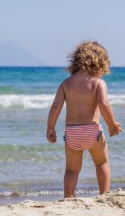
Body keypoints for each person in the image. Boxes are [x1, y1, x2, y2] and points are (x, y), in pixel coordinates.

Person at [46, 41, 123, 198]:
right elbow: (104, 103)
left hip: (72, 133)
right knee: (101, 163)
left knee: (72, 169)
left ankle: (68, 197)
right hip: (92, 132)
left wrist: (50, 127)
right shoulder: (98, 83)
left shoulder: (66, 84)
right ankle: (104, 195)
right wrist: (112, 124)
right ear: (100, 62)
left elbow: (55, 106)